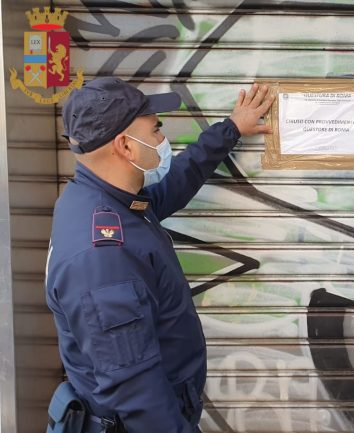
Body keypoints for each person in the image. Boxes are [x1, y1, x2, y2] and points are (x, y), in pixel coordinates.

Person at [44, 77, 274, 433]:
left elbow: (173, 186)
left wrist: (230, 130)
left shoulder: (104, 201)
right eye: (156, 130)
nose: (163, 140)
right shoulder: (103, 257)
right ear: (126, 147)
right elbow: (136, 391)